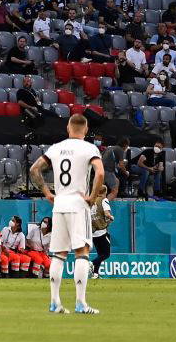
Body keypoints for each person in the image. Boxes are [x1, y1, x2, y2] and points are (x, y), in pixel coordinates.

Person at [29, 113, 105, 315]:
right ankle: (81, 303)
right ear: (86, 130)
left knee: (59, 254)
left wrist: (47, 192)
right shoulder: (89, 148)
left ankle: (55, 302)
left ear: (68, 128)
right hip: (78, 205)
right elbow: (100, 173)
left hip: (59, 204)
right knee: (82, 252)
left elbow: (34, 169)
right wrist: (92, 197)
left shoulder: (56, 148)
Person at [90, 193, 114, 278]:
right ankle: (91, 263)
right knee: (106, 254)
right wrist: (111, 217)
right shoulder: (103, 200)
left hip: (93, 233)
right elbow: (107, 214)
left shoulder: (90, 200)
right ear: (104, 193)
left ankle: (95, 274)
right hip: (102, 232)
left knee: (100, 254)